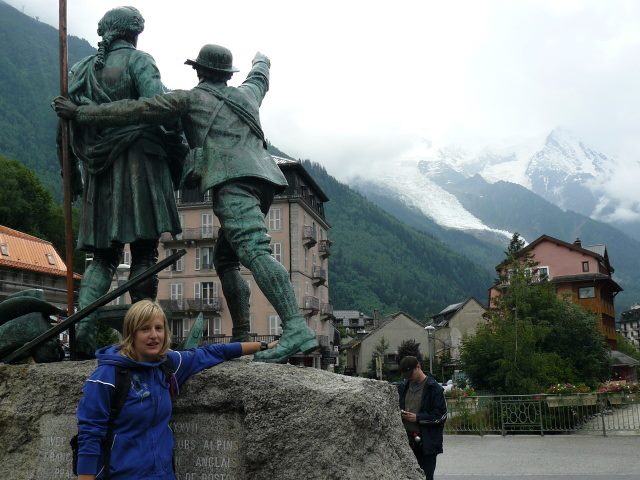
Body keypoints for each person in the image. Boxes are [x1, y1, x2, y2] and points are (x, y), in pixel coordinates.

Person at [54, 44, 317, 364]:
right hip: (265, 181)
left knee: (254, 250)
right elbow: (260, 75)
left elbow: (136, 109)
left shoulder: (189, 99)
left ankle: (295, 327)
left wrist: (80, 113)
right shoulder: (248, 94)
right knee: (226, 259)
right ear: (227, 74)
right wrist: (261, 58)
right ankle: (241, 334)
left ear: (199, 70)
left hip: (232, 180)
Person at [58, 6, 187, 359]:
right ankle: (145, 333)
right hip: (141, 164)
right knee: (144, 250)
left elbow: (64, 128)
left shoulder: (80, 70)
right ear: (133, 33)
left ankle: (83, 332)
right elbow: (159, 108)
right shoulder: (140, 61)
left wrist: (70, 173)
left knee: (102, 257)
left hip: (99, 173)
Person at [76, 300, 276, 480]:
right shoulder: (106, 376)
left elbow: (210, 353)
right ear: (131, 334)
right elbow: (90, 434)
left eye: (159, 328)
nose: (154, 335)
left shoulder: (167, 365)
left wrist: (261, 346)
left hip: (163, 474)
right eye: (145, 329)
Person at [398, 356, 447, 480]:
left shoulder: (434, 388)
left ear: (418, 367)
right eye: (406, 375)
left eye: (410, 374)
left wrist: (418, 418)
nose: (409, 377)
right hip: (406, 442)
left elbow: (441, 416)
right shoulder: (404, 387)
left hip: (426, 444)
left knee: (426, 477)